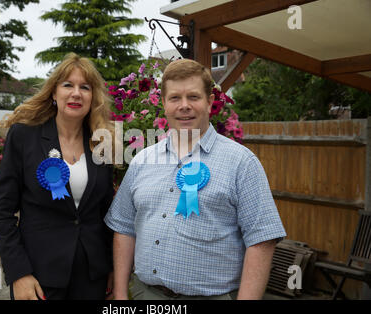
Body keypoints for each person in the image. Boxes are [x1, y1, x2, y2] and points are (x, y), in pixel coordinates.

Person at [104, 58, 287, 300]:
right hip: (145, 295)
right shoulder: (141, 161)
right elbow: (124, 228)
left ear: (210, 101)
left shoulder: (242, 163)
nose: (184, 106)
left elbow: (262, 240)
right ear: (163, 104)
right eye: (175, 98)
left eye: (193, 97)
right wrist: (120, 295)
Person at [0, 52, 115, 300]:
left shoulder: (102, 142)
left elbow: (106, 212)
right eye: (67, 85)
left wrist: (112, 267)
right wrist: (18, 273)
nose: (76, 93)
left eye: (85, 87)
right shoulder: (24, 136)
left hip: (92, 277)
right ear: (54, 93)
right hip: (38, 277)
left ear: (94, 97)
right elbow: (2, 213)